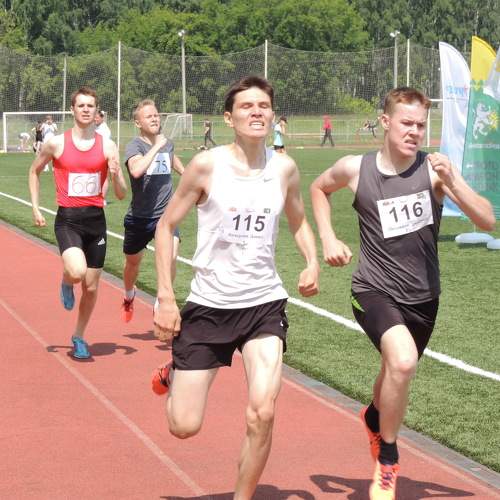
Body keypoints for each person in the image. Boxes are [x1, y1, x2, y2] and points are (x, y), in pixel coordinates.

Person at [310, 87, 495, 500]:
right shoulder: (355, 169)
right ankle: (389, 459)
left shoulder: (434, 171)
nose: (414, 132)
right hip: (372, 290)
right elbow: (319, 189)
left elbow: (486, 220)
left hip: (424, 298)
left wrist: (453, 182)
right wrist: (327, 238)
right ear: (385, 122)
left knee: (393, 373)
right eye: (406, 123)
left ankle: (374, 418)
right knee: (404, 360)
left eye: (421, 125)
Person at [152, 76, 319, 499]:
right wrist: (166, 298)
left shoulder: (284, 168)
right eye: (247, 106)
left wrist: (312, 261)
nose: (256, 112)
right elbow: (166, 226)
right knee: (183, 426)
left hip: (264, 304)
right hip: (209, 306)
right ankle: (175, 373)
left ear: (273, 115)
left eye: (263, 105)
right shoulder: (206, 165)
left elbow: (298, 220)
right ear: (229, 118)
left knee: (263, 412)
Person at [28, 86, 128, 359]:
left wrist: (117, 175)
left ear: (96, 111)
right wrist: (36, 207)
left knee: (92, 287)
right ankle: (66, 280)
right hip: (68, 221)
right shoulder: (56, 143)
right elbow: (34, 171)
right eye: (81, 105)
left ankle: (79, 336)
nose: (86, 109)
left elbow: (121, 194)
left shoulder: (108, 145)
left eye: (90, 106)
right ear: (72, 109)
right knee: (77, 272)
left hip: (96, 222)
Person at [121, 99, 184, 322]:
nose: (155, 119)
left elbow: (171, 157)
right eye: (149, 116)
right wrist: (157, 146)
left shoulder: (167, 144)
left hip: (165, 215)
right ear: (138, 123)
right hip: (139, 217)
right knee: (132, 264)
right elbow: (136, 170)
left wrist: (186, 173)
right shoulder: (134, 146)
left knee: (171, 256)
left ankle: (161, 300)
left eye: (156, 115)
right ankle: (129, 294)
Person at [95, 109, 112, 204]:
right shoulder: (96, 128)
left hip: (103, 156)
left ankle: (102, 199)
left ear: (102, 118)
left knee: (105, 178)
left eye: (97, 117)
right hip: (95, 156)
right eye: (94, 117)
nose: (95, 119)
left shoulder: (105, 130)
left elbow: (103, 145)